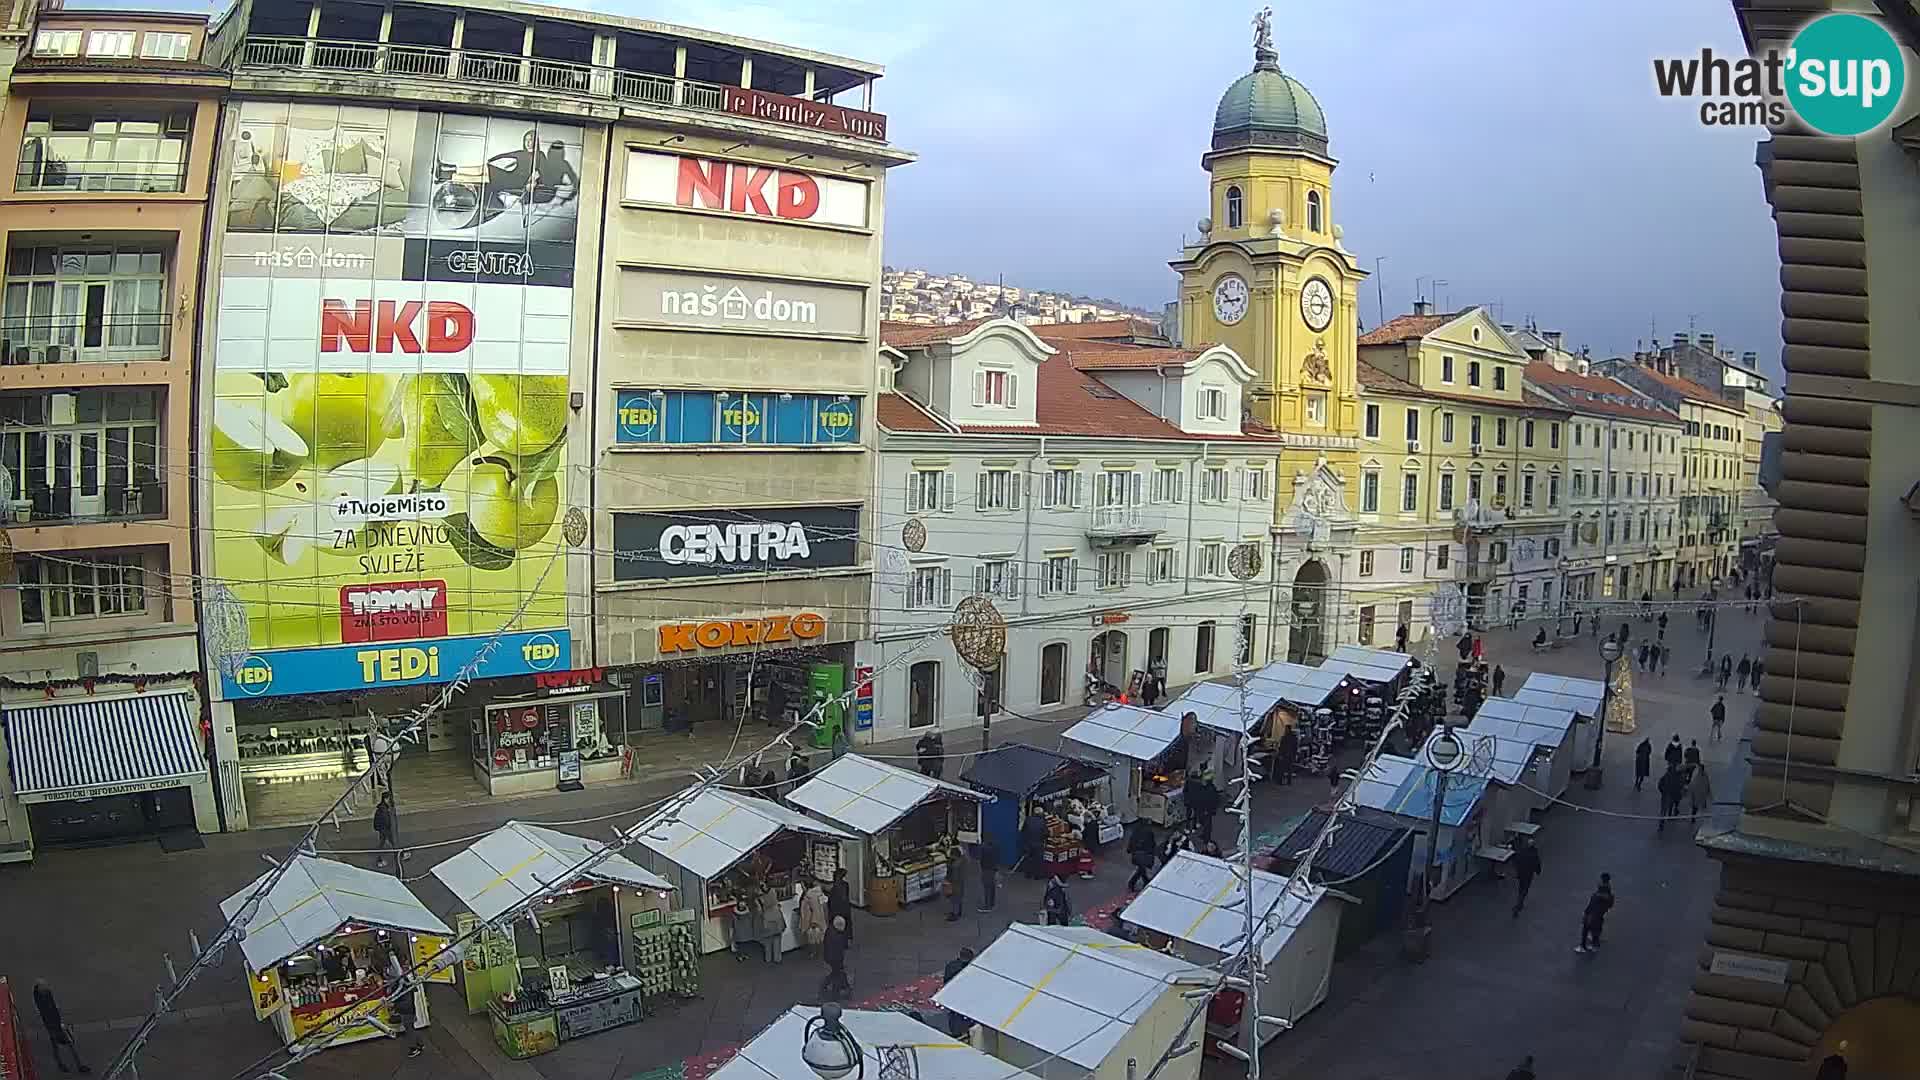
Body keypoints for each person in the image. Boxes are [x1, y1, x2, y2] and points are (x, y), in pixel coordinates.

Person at [32, 980, 88, 1074]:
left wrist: (60, 1020)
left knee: (64, 1046)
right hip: (52, 1026)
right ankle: (72, 1065)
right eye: (44, 987)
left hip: (56, 1025)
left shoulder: (46, 994)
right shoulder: (41, 1001)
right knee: (62, 1046)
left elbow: (54, 1007)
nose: (46, 988)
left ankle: (74, 1065)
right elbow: (45, 1013)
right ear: (40, 990)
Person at [942, 948, 976, 1038]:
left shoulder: (951, 965)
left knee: (954, 1016)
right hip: (964, 997)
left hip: (953, 997)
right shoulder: (969, 968)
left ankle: (956, 1032)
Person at [1576, 873, 1614, 953]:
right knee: (1596, 928)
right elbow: (1610, 904)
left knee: (1586, 928)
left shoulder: (1598, 896)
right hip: (1599, 915)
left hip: (1593, 915)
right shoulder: (1609, 893)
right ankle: (1594, 945)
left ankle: (1583, 946)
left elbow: (1592, 905)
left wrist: (1586, 912)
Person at [821, 914, 851, 1000]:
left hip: (829, 957)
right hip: (835, 959)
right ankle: (838, 989)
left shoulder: (830, 931)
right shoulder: (837, 937)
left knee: (836, 973)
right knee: (838, 974)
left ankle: (835, 986)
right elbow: (838, 951)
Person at [1510, 835, 1541, 917]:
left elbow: (1517, 861)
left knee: (1521, 887)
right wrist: (1538, 871)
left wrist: (1517, 870)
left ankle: (1520, 902)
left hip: (1521, 873)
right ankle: (1519, 903)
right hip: (1528, 874)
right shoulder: (1534, 853)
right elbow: (1537, 863)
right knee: (1525, 889)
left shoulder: (1523, 851)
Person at [798, 878, 828, 954]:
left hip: (811, 920)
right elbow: (824, 905)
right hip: (820, 918)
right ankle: (820, 951)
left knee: (811, 938)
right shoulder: (820, 893)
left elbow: (806, 910)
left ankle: (813, 952)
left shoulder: (808, 896)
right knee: (820, 936)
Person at [759, 884, 787, 964]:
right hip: (777, 918)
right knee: (777, 939)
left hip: (767, 919)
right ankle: (777, 959)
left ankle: (768, 958)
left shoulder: (761, 898)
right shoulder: (773, 892)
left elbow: (760, 910)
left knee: (767, 941)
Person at [373, 791, 402, 868]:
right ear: (386, 799)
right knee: (388, 843)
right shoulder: (384, 809)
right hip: (385, 829)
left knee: (389, 842)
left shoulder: (383, 807)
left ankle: (400, 854)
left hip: (383, 829)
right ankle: (380, 860)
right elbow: (386, 820)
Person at [1127, 821, 1157, 892]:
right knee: (1141, 869)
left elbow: (1131, 842)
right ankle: (1134, 882)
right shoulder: (1149, 833)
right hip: (1145, 854)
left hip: (1137, 854)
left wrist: (1130, 850)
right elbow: (1152, 844)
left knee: (1141, 869)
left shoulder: (1136, 832)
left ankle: (1142, 881)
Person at [1020, 811, 1050, 879]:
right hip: (1038, 844)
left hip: (1028, 843)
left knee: (1029, 859)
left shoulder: (1028, 820)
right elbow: (1046, 833)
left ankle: (1028, 874)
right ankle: (1037, 876)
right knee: (1038, 861)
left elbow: (1023, 830)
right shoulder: (1043, 822)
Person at [827, 869, 853, 943]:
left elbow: (831, 900)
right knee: (847, 923)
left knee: (835, 925)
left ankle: (837, 940)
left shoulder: (833, 887)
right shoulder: (846, 885)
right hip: (845, 908)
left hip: (836, 909)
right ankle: (848, 939)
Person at [1657, 764, 1686, 833]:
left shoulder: (1668, 775)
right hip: (1673, 795)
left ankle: (1662, 823)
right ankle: (1669, 816)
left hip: (1666, 794)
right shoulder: (1680, 778)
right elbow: (1681, 787)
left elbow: (1660, 783)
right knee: (1670, 805)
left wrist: (1662, 791)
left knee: (1663, 810)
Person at [945, 843, 968, 922]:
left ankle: (955, 915)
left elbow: (954, 877)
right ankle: (959, 912)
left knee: (955, 899)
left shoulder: (955, 865)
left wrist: (948, 882)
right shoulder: (963, 860)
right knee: (959, 898)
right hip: (961, 882)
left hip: (955, 884)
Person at [976, 837, 999, 911]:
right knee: (992, 887)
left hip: (986, 870)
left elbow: (980, 858)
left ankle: (987, 906)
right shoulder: (994, 848)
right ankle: (992, 904)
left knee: (987, 888)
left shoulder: (984, 849)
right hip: (992, 869)